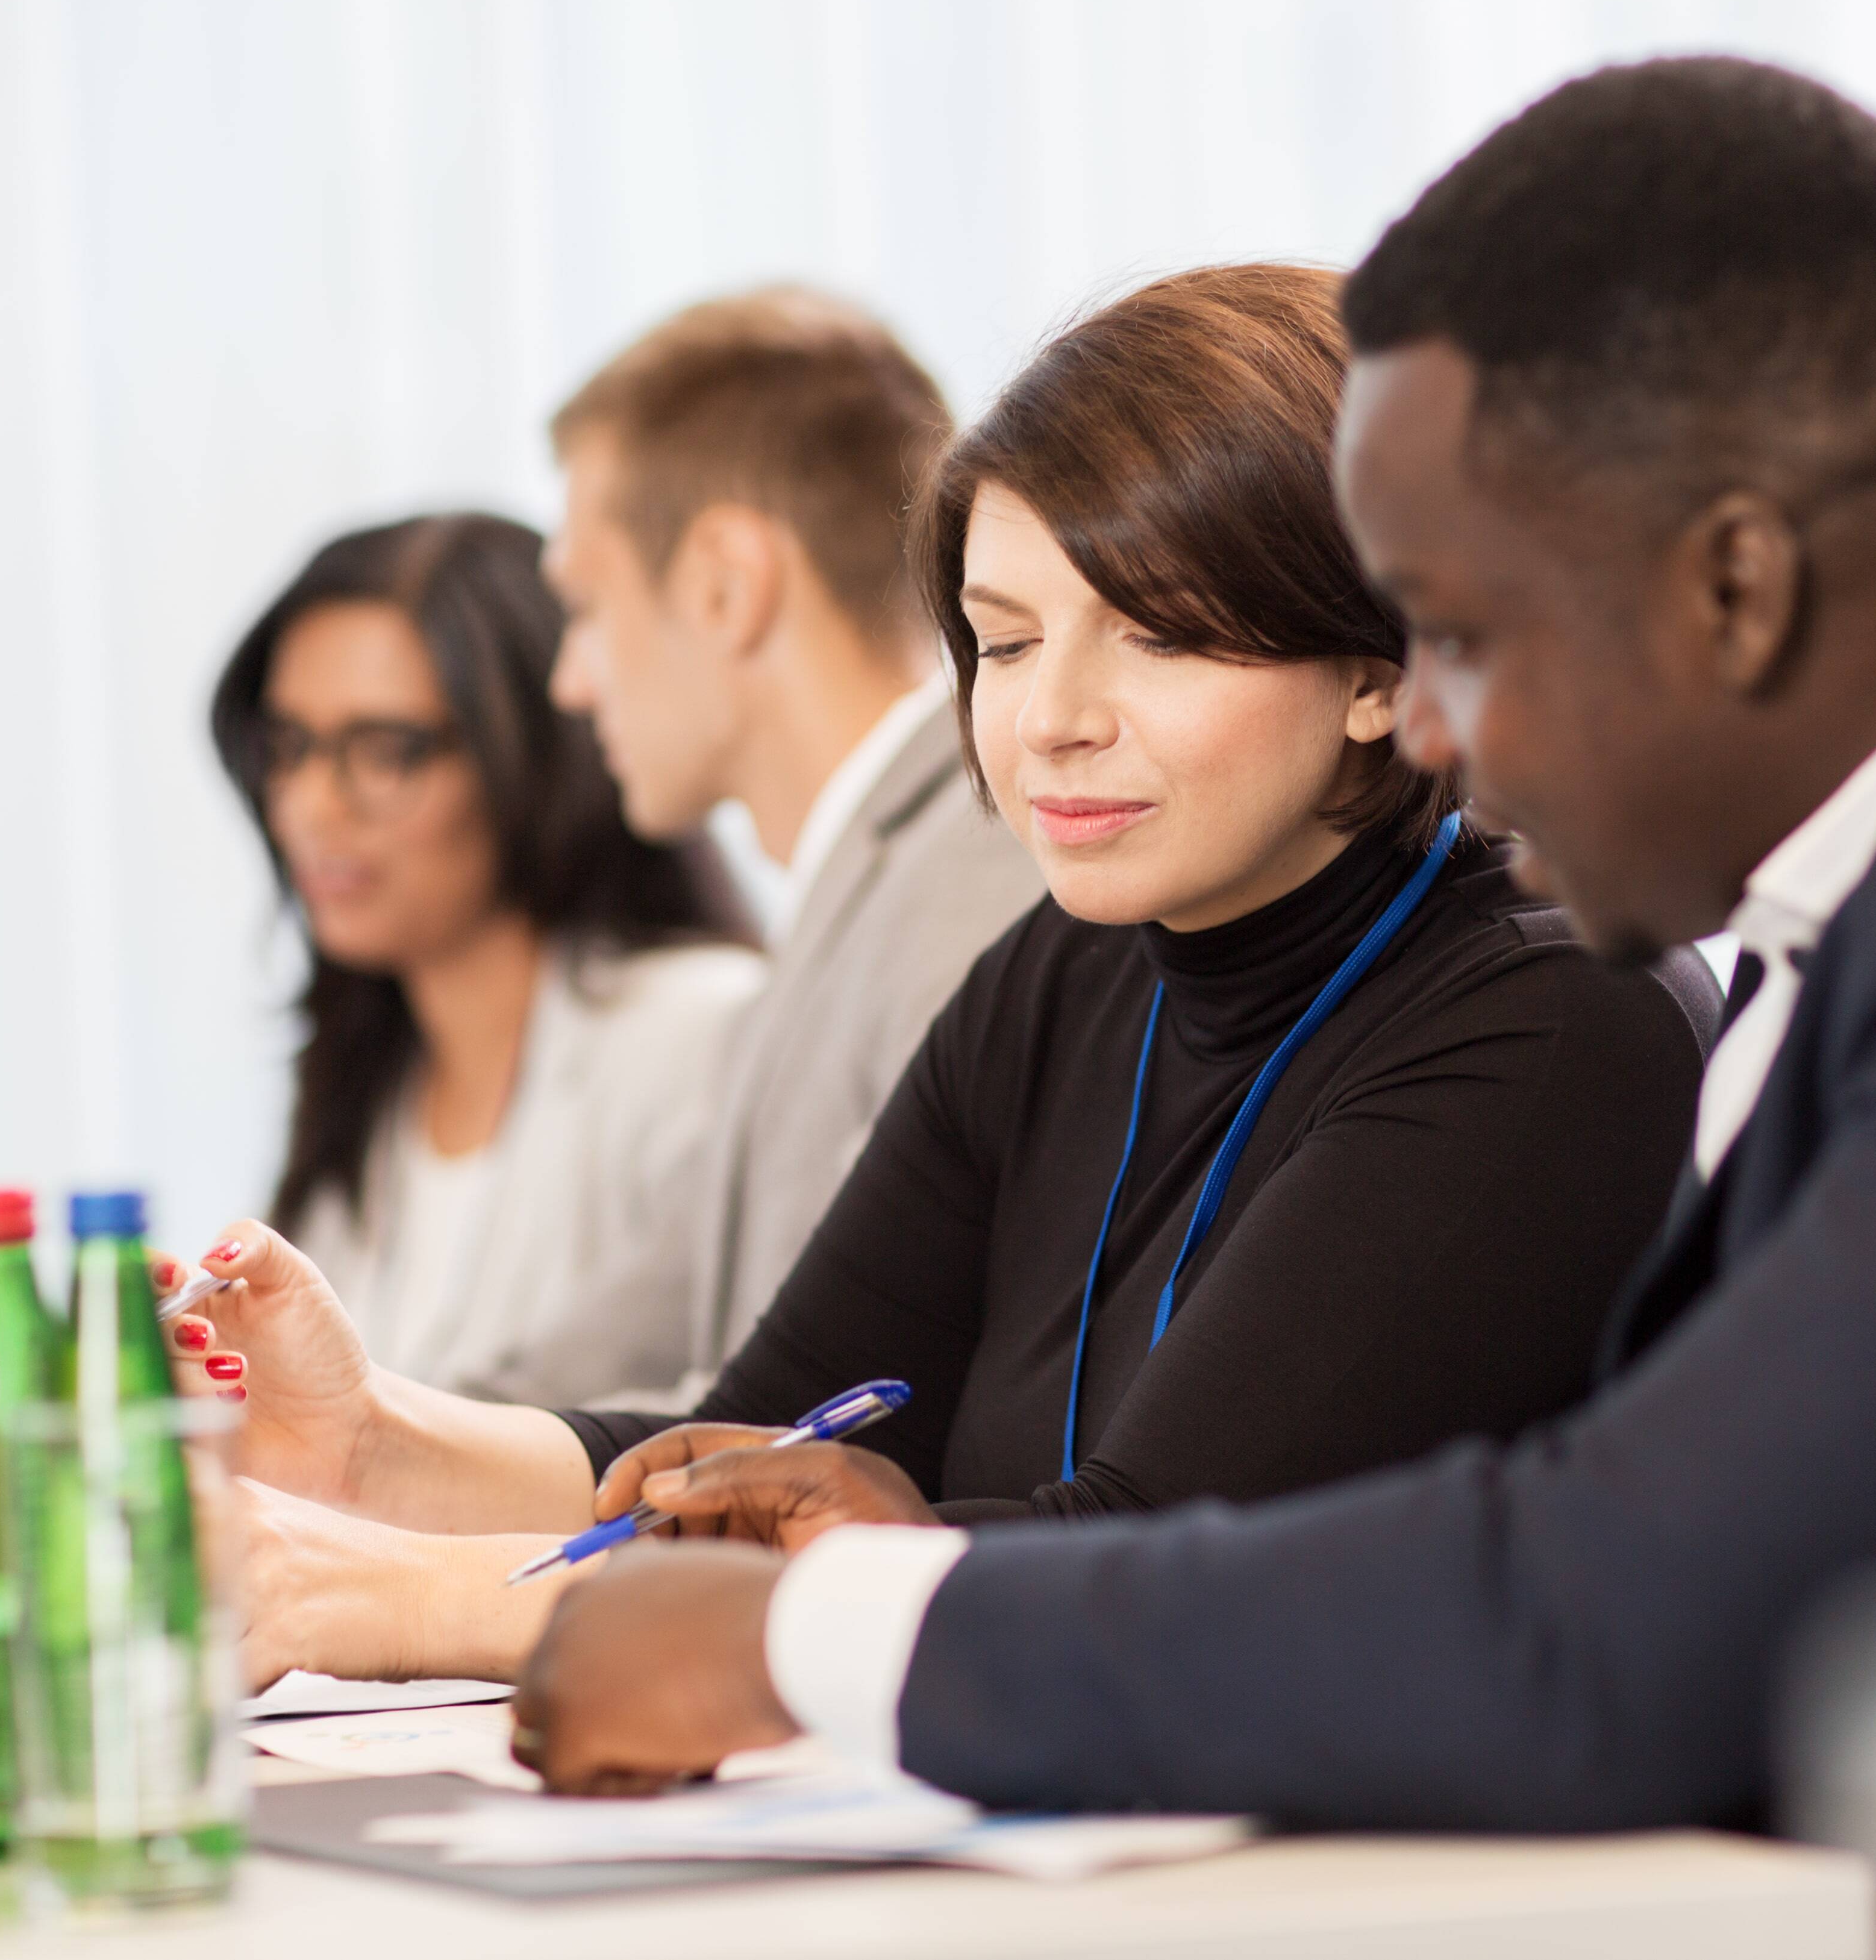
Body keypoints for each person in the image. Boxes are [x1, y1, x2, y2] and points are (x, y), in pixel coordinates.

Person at [501, 58, 1876, 1824]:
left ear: (1727, 586)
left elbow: (1610, 1617)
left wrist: (823, 1633)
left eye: (1454, 636)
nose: (1430, 730)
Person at [169, 264, 1717, 1686]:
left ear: (1381, 668)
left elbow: (1128, 1571)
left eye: (1153, 639)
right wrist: (370, 1441)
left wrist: (382, 1596)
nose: (1050, 719)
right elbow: (767, 1435)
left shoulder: (1550, 1018)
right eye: (1008, 639)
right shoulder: (1069, 966)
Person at [539, 287, 1045, 1397]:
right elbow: (635, 1327)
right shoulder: (858, 883)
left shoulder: (977, 877)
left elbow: (859, 1396)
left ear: (726, 585)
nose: (569, 678)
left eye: (585, 603)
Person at [208, 513, 763, 1406]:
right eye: (289, 748)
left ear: (535, 754)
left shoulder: (700, 1033)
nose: (310, 806)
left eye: (385, 751)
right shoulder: (369, 1078)